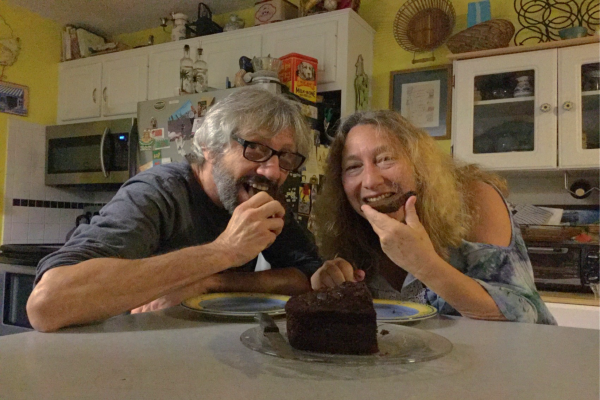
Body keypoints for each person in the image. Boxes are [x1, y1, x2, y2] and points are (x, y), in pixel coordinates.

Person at [27, 88, 322, 332]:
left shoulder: (261, 201)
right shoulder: (158, 193)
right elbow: (48, 304)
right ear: (210, 148)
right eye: (255, 148)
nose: (272, 171)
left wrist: (211, 281)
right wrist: (223, 251)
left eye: (285, 157)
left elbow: (309, 277)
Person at [311, 110, 556, 325]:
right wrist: (329, 283)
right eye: (354, 167)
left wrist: (424, 264)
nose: (371, 180)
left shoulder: (473, 198)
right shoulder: (349, 229)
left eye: (385, 159)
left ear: (418, 165)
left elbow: (525, 316)